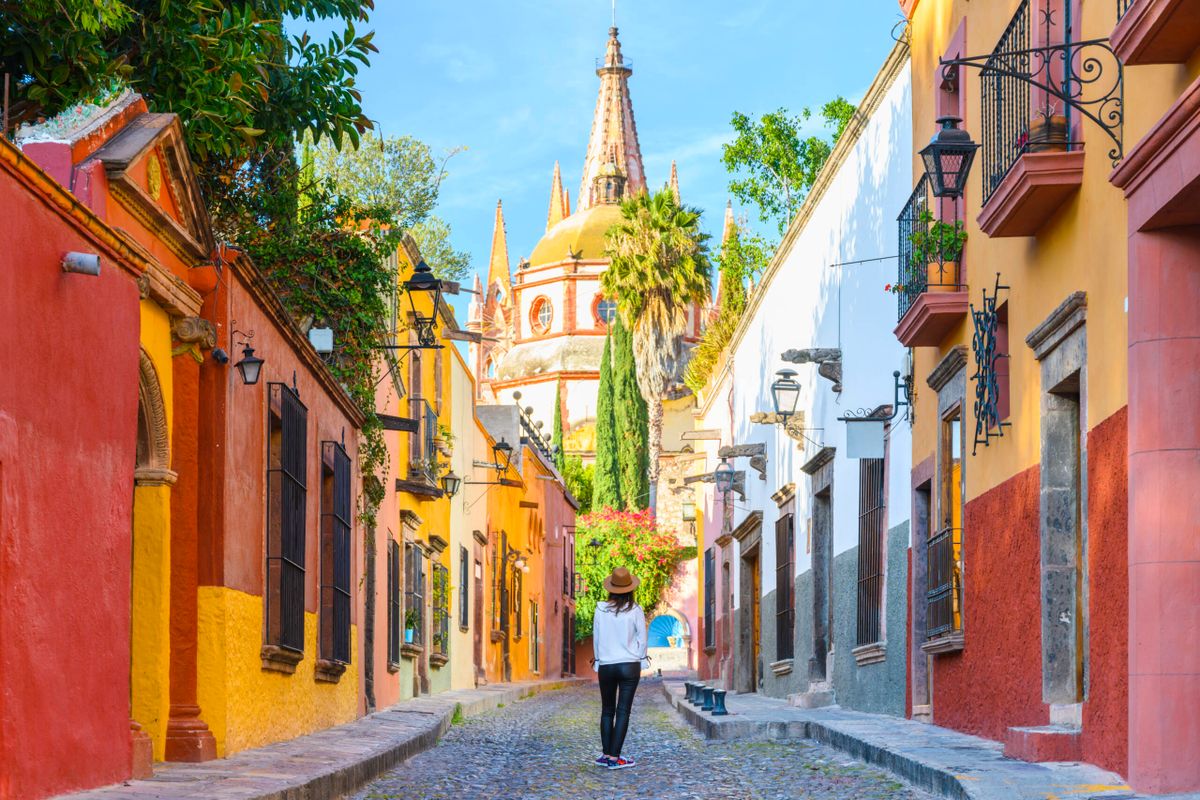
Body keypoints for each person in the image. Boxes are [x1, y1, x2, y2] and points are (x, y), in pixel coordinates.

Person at [591, 566, 648, 770]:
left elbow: (596, 639)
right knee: (623, 711)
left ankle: (606, 755)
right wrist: (642, 659)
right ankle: (615, 758)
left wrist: (598, 661)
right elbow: (642, 638)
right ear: (630, 589)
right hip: (629, 665)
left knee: (607, 710)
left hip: (606, 665)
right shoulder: (636, 610)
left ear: (611, 588)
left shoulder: (600, 610)